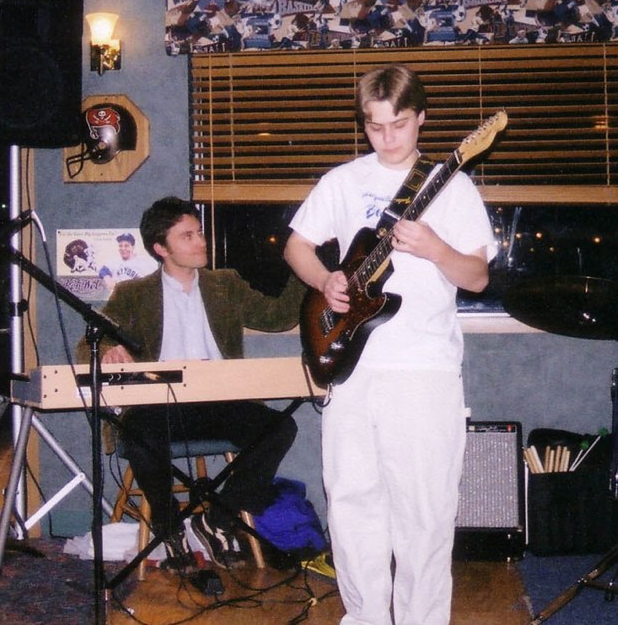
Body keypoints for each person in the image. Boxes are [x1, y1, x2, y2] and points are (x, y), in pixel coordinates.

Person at [284, 64, 497, 625]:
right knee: (352, 506)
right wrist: (323, 279)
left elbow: (476, 277)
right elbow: (298, 247)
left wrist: (432, 248)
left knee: (424, 515)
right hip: (349, 369)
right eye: (374, 126)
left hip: (421, 369)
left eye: (398, 124)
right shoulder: (343, 180)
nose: (387, 138)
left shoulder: (453, 185)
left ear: (421, 118)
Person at [82, 196, 304, 572]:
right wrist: (108, 349)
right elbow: (91, 340)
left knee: (280, 427)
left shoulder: (226, 284)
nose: (201, 241)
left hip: (222, 404)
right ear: (160, 248)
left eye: (199, 232)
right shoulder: (133, 294)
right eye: (187, 236)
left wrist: (304, 266)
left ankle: (217, 518)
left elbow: (279, 316)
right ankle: (169, 530)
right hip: (160, 409)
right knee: (138, 433)